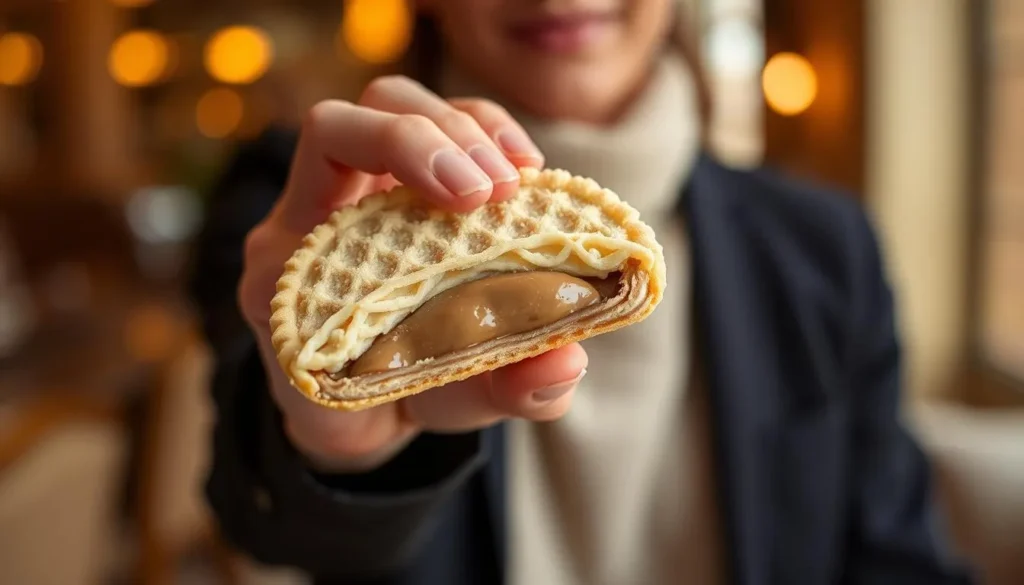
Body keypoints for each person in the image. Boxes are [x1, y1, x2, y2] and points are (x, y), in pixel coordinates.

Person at [190, 1, 975, 584]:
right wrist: (338, 455)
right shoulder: (297, 206)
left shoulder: (824, 249)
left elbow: (896, 554)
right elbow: (261, 518)